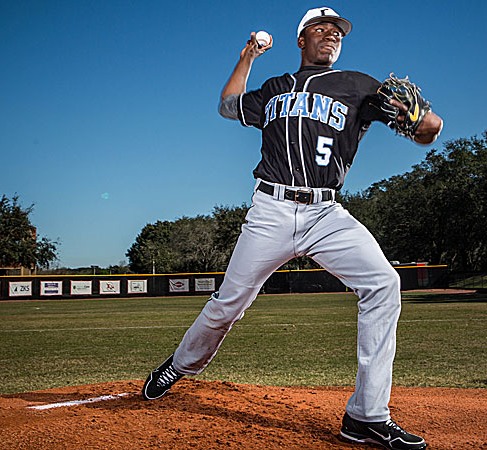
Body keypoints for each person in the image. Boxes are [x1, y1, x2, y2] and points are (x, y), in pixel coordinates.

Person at [142, 7, 442, 450]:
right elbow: (228, 106)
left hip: (327, 213)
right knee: (228, 305)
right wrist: (247, 57)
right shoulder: (275, 88)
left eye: (337, 31)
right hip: (271, 209)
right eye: (320, 29)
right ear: (301, 39)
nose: (330, 35)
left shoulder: (360, 86)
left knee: (383, 284)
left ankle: (366, 417)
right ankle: (181, 365)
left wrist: (422, 122)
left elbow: (428, 130)